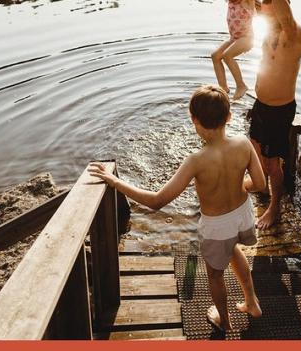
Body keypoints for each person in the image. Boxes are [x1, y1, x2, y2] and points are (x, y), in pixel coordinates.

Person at [88, 85, 266, 332]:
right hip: (242, 215)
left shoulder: (196, 161)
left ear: (194, 120)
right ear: (229, 116)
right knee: (234, 248)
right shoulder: (244, 144)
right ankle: (251, 302)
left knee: (215, 275)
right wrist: (238, 184)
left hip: (216, 227)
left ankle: (224, 321)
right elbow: (259, 184)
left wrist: (116, 182)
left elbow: (157, 201)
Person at [249, 0, 301, 229]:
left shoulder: (292, 35)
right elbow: (248, 0)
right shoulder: (269, 28)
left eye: (274, 17)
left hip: (278, 110)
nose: (267, 20)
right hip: (261, 105)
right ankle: (261, 187)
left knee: (273, 165)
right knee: (257, 151)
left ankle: (275, 208)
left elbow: (284, 15)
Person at [212, 0, 264, 100]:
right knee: (215, 56)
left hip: (246, 38)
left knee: (228, 56)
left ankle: (241, 85)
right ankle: (223, 87)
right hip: (234, 38)